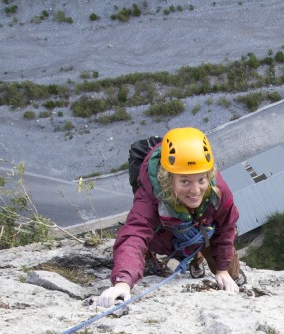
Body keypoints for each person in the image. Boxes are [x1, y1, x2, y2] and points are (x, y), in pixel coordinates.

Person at [97, 127, 246, 307]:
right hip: (167, 236)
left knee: (231, 272)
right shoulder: (151, 195)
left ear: (209, 175)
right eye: (185, 181)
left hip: (203, 231)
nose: (195, 190)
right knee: (156, 243)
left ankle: (198, 260)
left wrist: (222, 270)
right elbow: (135, 234)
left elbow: (226, 227)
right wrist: (123, 282)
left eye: (201, 180)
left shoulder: (218, 191)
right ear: (168, 179)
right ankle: (159, 258)